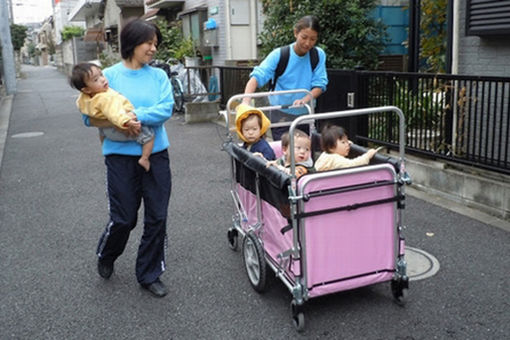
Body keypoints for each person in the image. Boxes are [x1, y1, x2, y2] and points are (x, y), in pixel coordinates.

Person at [82, 19, 174, 298]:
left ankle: (149, 273)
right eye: (149, 42)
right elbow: (89, 115)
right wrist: (118, 121)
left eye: (155, 43)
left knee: (157, 217)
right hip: (119, 158)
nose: (153, 48)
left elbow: (166, 109)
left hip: (155, 154)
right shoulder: (107, 76)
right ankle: (107, 253)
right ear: (133, 43)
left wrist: (134, 116)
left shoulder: (159, 77)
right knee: (124, 218)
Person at [242, 15, 328, 140]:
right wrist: (246, 101)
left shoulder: (318, 55)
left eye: (313, 39)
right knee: (284, 151)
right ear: (295, 33)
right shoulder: (280, 54)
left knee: (303, 152)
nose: (307, 43)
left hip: (305, 113)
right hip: (280, 112)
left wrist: (305, 99)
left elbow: (320, 84)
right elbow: (257, 76)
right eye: (304, 37)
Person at [70, 62, 154, 172]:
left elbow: (88, 117)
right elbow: (116, 114)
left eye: (101, 75)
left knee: (101, 131)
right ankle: (144, 158)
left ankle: (104, 145)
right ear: (86, 89)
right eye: (95, 80)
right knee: (149, 136)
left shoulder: (84, 99)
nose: (102, 79)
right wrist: (126, 121)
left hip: (106, 132)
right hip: (121, 129)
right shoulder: (106, 98)